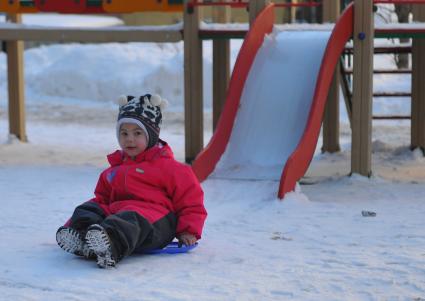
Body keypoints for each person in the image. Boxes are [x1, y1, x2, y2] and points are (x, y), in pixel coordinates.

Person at [56, 94, 207, 268]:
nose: (129, 139)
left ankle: (109, 246)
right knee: (88, 209)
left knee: (129, 219)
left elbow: (191, 202)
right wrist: (76, 220)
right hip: (118, 213)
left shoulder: (171, 169)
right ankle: (81, 237)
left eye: (137, 133)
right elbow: (102, 199)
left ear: (151, 135)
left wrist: (188, 230)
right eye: (124, 133)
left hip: (153, 221)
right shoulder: (113, 171)